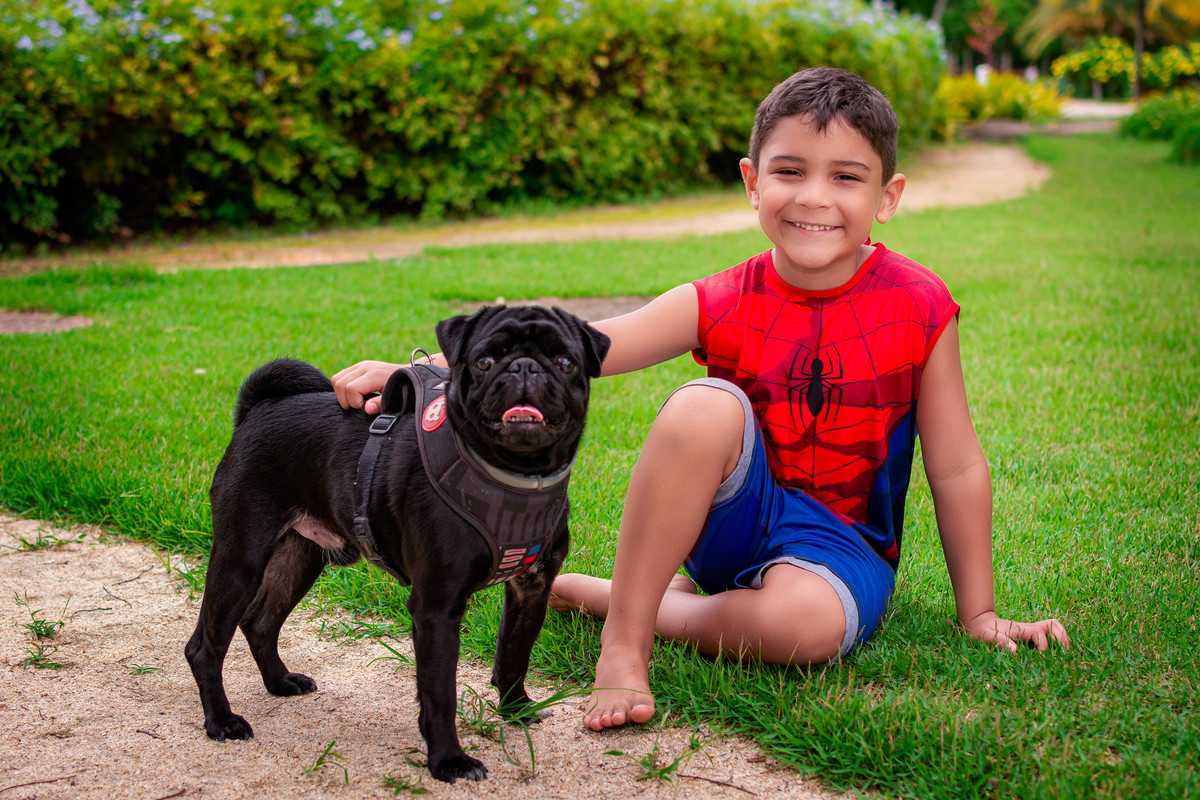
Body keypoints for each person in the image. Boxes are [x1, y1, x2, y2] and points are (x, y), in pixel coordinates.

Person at [332, 66, 1070, 734]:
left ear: (889, 195)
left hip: (842, 552)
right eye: (789, 171)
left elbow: (957, 466)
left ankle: (604, 595)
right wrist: (423, 366)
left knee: (805, 632)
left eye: (846, 177)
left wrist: (978, 612)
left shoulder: (920, 304)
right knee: (701, 404)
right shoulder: (723, 296)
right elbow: (584, 344)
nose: (814, 197)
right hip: (733, 523)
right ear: (753, 182)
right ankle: (625, 641)